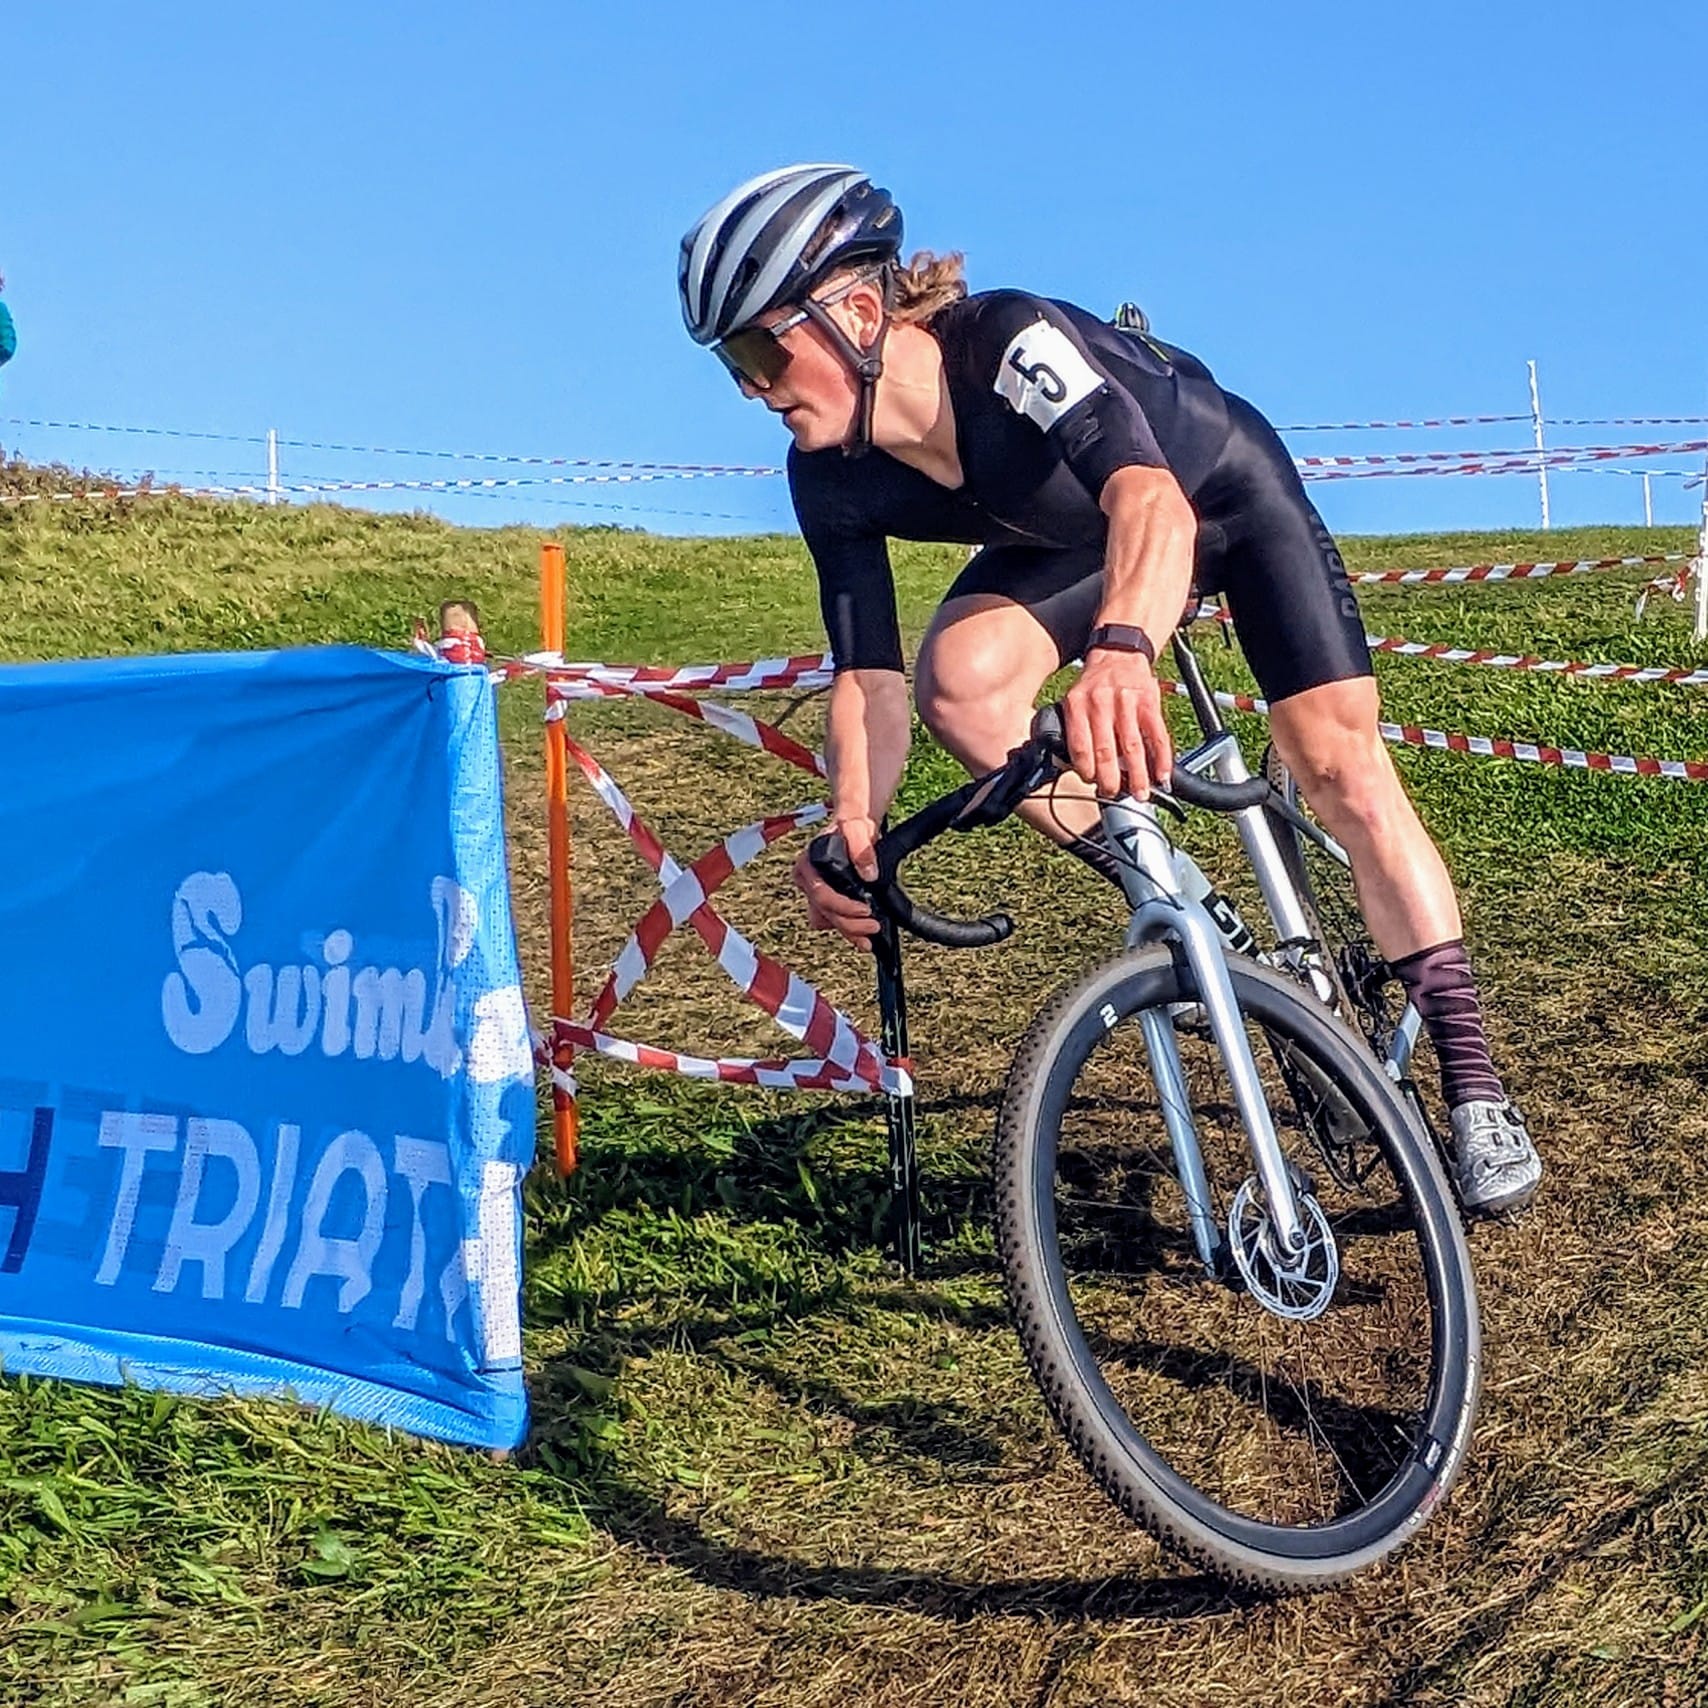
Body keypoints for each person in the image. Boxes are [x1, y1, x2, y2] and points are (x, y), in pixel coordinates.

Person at [677, 164, 1541, 1216]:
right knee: (960, 686)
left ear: (857, 312)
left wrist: (1122, 650)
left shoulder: (1007, 344)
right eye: (732, 363)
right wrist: (852, 821)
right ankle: (1193, 907)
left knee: (1338, 767)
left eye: (760, 350)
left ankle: (1473, 1086)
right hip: (1078, 543)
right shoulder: (829, 475)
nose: (752, 388)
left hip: (1216, 497)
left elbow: (1151, 503)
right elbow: (867, 677)